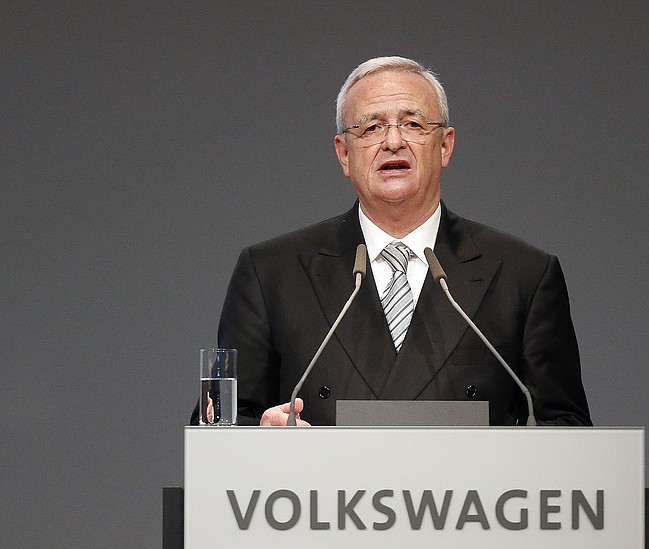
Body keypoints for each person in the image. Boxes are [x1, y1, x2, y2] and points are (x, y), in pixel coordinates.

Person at [190, 56, 591, 427]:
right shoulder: (271, 273)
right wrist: (258, 436)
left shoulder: (523, 275)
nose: (393, 141)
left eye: (414, 124)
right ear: (344, 154)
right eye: (371, 127)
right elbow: (218, 425)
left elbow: (569, 433)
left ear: (446, 146)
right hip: (318, 501)